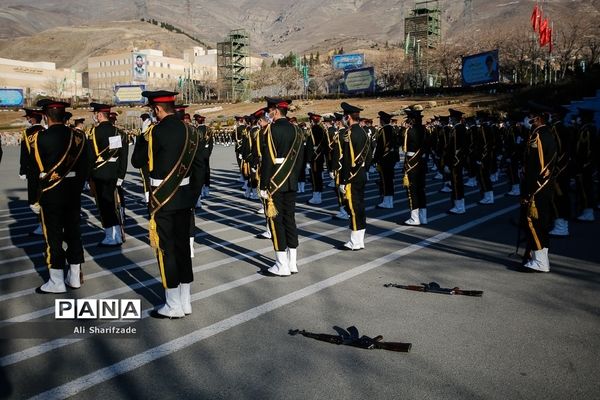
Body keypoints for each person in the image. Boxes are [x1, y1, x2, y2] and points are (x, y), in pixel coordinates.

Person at [132, 90, 203, 318]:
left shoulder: (154, 133)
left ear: (157, 109)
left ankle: (172, 305)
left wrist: (142, 137)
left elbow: (137, 162)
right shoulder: (191, 131)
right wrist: (193, 195)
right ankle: (186, 301)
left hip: (162, 199)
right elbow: (200, 167)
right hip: (185, 198)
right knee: (182, 247)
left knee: (166, 250)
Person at [30, 99, 89, 293]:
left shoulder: (38, 138)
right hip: (72, 193)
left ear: (45, 116)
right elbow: (84, 167)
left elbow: (34, 171)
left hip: (50, 194)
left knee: (53, 237)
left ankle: (56, 280)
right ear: (64, 116)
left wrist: (34, 198)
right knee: (73, 234)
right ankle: (74, 277)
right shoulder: (78, 137)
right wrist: (77, 187)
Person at [259, 97, 304, 276]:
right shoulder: (297, 130)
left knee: (276, 221)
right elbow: (300, 158)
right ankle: (292, 262)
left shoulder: (271, 130)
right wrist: (297, 178)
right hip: (291, 180)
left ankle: (281, 264)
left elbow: (268, 159)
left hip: (276, 181)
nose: (268, 114)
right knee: (290, 219)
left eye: (269, 110)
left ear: (276, 111)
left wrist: (263, 185)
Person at [520, 108, 558, 272]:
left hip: (538, 187)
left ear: (538, 118)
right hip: (540, 186)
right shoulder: (541, 133)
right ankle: (537, 257)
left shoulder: (540, 135)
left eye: (529, 116)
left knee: (533, 223)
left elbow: (543, 166)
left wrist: (532, 189)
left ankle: (541, 262)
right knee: (540, 223)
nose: (527, 119)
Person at [88, 102, 128, 246]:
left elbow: (90, 157)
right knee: (113, 205)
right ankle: (116, 234)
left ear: (99, 115)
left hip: (99, 172)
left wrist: (88, 176)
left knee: (104, 206)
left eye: (96, 114)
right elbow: (122, 156)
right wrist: (121, 175)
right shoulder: (117, 132)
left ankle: (111, 236)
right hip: (114, 172)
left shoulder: (93, 132)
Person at [339, 102, 371, 250]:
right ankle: (360, 239)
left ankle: (354, 241)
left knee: (352, 208)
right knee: (360, 206)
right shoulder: (364, 132)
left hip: (351, 176)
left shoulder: (349, 133)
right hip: (362, 173)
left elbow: (346, 159)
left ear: (348, 117)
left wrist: (344, 180)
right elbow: (368, 154)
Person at [20, 108, 45, 235]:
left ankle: (42, 224)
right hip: (47, 171)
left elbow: (24, 154)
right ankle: (43, 223)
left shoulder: (27, 133)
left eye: (28, 117)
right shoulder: (46, 131)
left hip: (33, 171)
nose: (27, 120)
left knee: (34, 201)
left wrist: (22, 170)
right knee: (44, 198)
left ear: (32, 119)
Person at [401, 106, 428, 225]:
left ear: (412, 120)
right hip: (421, 162)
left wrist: (403, 130)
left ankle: (414, 218)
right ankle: (423, 217)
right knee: (421, 190)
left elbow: (404, 147)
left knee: (412, 191)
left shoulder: (409, 131)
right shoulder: (425, 130)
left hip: (412, 163)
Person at [373, 111, 397, 209]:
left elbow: (380, 146)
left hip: (384, 159)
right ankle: (389, 200)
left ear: (382, 121)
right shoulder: (392, 129)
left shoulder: (383, 130)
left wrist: (375, 159)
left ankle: (387, 202)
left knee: (385, 180)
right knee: (389, 180)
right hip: (391, 158)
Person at [447, 108, 468, 214]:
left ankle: (459, 206)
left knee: (456, 183)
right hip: (458, 160)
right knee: (457, 182)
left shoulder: (457, 129)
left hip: (456, 161)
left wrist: (454, 161)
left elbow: (456, 147)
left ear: (455, 118)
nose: (450, 119)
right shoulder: (460, 128)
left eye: (451, 117)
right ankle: (460, 205)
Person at [306, 112, 327, 205]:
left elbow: (310, 145)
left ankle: (316, 197)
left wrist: (308, 158)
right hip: (320, 156)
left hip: (314, 157)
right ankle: (318, 196)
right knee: (318, 177)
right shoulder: (322, 129)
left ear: (312, 120)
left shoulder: (313, 129)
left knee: (314, 177)